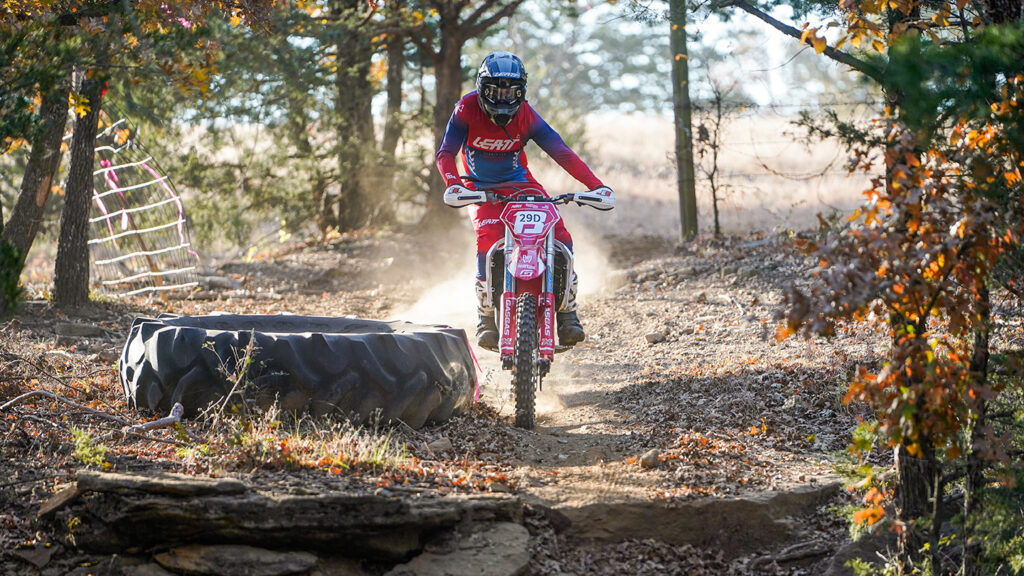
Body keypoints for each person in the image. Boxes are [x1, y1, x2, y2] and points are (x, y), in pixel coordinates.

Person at [435, 51, 614, 350]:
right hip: (480, 190)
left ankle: (567, 313)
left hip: (521, 185)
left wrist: (596, 186)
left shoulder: (526, 115)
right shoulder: (466, 108)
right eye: (495, 90)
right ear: (482, 88)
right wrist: (454, 184)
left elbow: (560, 150)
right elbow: (445, 153)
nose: (503, 99)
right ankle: (486, 317)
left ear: (521, 92)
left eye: (510, 91)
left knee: (561, 237)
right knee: (488, 242)